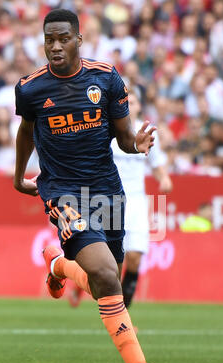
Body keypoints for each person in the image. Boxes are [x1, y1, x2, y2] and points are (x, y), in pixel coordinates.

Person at [14, 9, 169, 363]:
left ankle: (58, 266)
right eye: (49, 39)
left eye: (63, 38)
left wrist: (138, 144)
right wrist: (19, 177)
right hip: (62, 192)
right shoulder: (30, 89)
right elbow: (26, 133)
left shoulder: (105, 78)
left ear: (79, 39)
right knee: (105, 274)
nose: (55, 46)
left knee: (105, 278)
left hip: (107, 190)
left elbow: (122, 138)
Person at [69, 90, 173, 310]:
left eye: (133, 101)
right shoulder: (108, 132)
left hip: (135, 202)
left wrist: (164, 178)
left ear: (137, 108)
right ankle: (80, 283)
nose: (129, 104)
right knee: (107, 263)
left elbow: (156, 164)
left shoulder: (144, 133)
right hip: (108, 200)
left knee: (134, 258)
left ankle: (123, 317)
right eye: (126, 101)